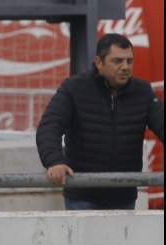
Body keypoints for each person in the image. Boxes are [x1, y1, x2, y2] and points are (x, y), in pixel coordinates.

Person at [36, 33, 164, 210]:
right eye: (117, 61)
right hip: (82, 195)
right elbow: (49, 126)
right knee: (84, 239)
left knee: (120, 239)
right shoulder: (74, 89)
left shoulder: (143, 92)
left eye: (129, 61)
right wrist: (55, 161)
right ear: (99, 63)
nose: (125, 67)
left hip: (124, 196)